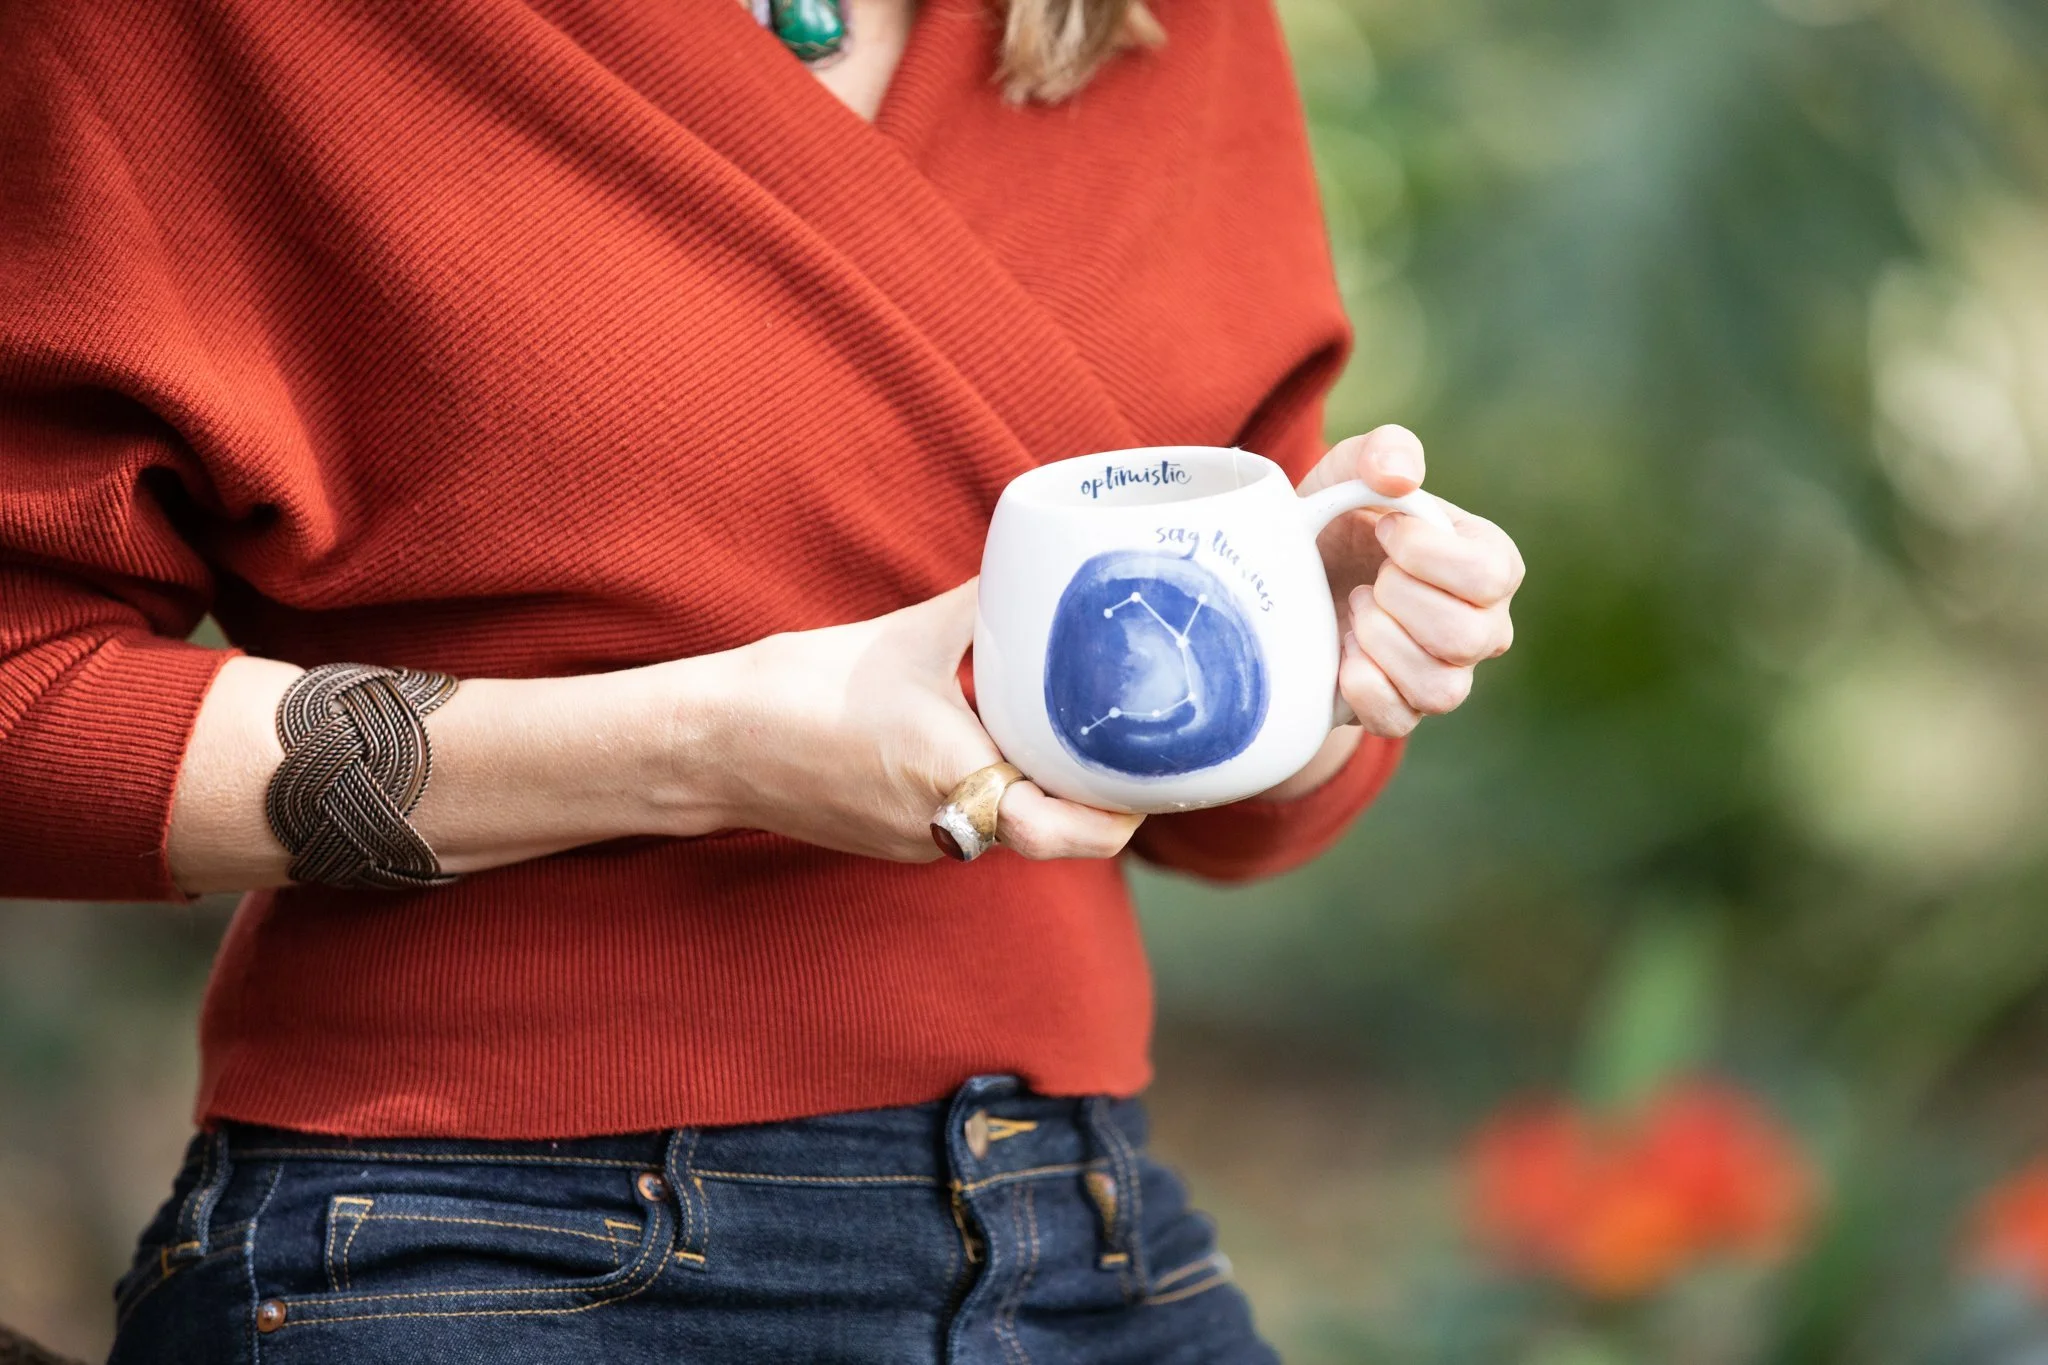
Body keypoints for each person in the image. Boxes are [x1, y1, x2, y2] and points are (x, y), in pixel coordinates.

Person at [0, 0, 1523, 1358]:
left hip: (1078, 1221)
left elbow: (1232, 823)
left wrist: (1312, 672)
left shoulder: (1167, 24)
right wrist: (703, 748)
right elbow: (27, 702)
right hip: (463, 1235)